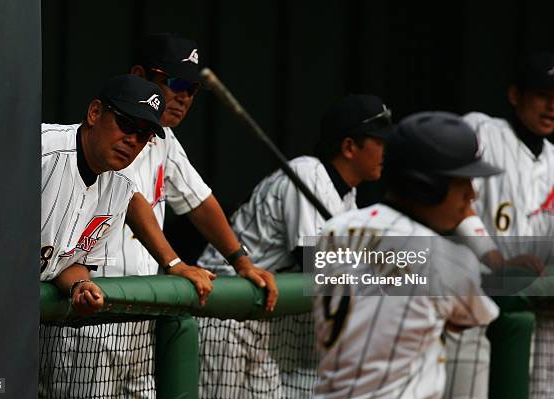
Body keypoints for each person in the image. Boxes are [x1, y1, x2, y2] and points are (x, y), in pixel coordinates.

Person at [196, 94, 394, 398]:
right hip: (223, 308)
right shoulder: (307, 173)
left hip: (258, 315)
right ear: (349, 147)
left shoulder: (348, 197)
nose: (385, 150)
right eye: (378, 142)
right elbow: (314, 261)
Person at [313, 111, 501, 399]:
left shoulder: (335, 227)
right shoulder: (448, 258)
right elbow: (468, 319)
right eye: (462, 182)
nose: (472, 195)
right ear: (425, 186)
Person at [103, 32, 278, 309]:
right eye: (175, 82)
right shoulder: (109, 131)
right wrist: (175, 263)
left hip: (141, 301)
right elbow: (131, 200)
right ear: (139, 75)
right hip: (97, 297)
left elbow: (199, 202)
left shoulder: (166, 139)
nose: (184, 97)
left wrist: (241, 262)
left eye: (192, 89)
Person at [39, 74, 167, 397]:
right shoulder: (40, 150)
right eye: (126, 124)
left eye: (144, 135)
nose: (133, 140)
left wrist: (81, 285)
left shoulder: (120, 189)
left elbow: (71, 262)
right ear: (95, 113)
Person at [460, 51, 554, 399]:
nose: (551, 106)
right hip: (477, 309)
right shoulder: (481, 133)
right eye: (543, 95)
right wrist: (495, 258)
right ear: (515, 95)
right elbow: (456, 206)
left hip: (540, 317)